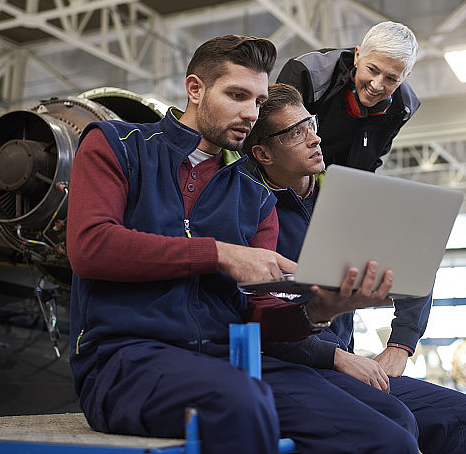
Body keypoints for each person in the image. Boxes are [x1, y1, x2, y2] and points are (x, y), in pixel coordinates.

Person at [66, 35, 422, 454]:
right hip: (127, 359)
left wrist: (321, 309)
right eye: (236, 95)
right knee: (240, 401)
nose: (249, 113)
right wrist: (219, 253)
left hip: (232, 362)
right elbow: (91, 247)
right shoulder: (116, 145)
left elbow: (262, 314)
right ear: (195, 89)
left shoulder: (254, 196)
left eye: (256, 101)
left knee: (391, 427)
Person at [244, 83, 466, 454]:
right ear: (262, 152)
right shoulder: (246, 208)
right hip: (287, 365)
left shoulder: (346, 199)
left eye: (310, 124)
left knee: (463, 414)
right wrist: (335, 357)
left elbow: (414, 262)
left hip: (344, 362)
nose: (314, 139)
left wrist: (400, 345)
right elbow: (252, 314)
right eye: (296, 133)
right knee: (392, 419)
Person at [277, 21, 429, 381]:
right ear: (358, 55)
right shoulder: (307, 74)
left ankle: (344, 354)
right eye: (372, 70)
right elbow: (270, 137)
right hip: (284, 188)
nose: (378, 85)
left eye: (391, 78)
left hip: (341, 192)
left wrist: (401, 342)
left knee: (405, 235)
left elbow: (370, 161)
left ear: (405, 77)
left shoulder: (403, 105)